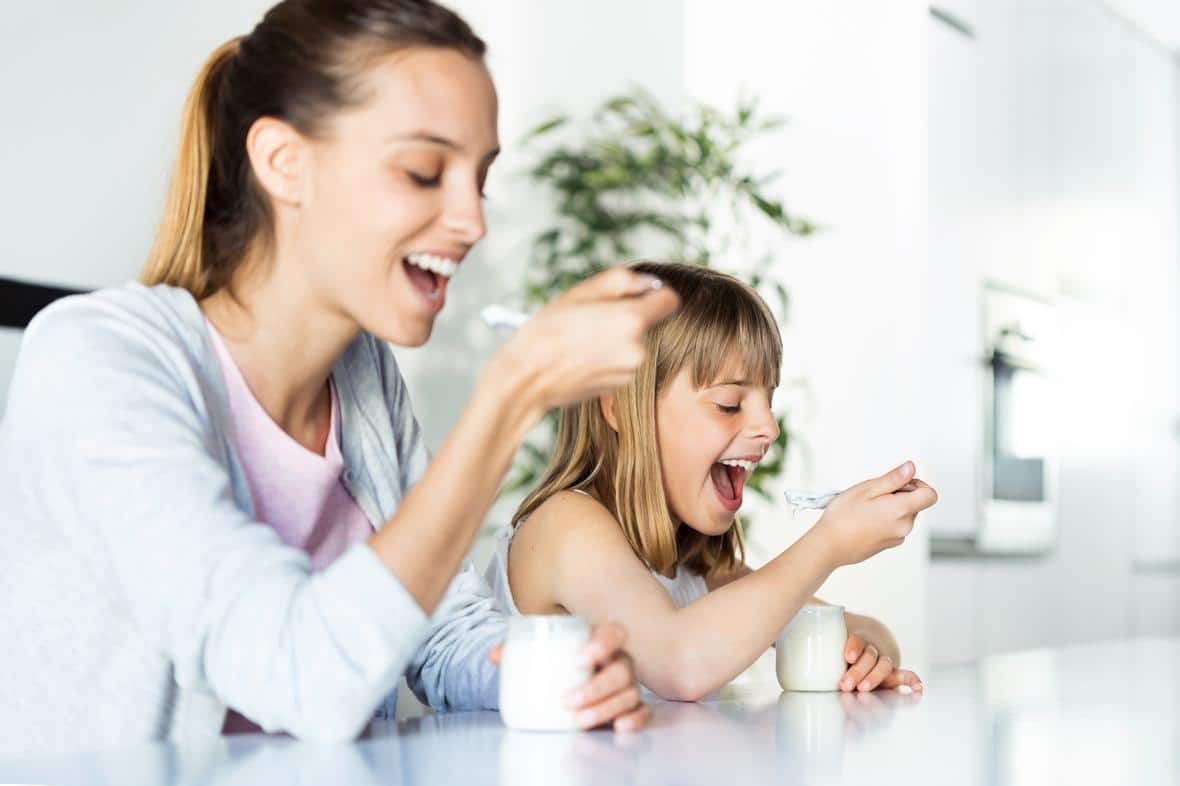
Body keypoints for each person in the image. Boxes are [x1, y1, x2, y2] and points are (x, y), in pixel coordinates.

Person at [0, 0, 680, 756]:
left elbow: (436, 628)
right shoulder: (96, 360)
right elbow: (302, 674)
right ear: (285, 164)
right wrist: (512, 393)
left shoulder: (362, 375)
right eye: (424, 171)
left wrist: (538, 672)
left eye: (478, 179)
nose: (471, 221)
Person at [487, 263, 935, 701]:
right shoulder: (564, 525)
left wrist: (869, 655)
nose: (769, 428)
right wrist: (830, 542)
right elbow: (680, 663)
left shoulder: (697, 570)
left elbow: (863, 629)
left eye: (769, 399)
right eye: (729, 403)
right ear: (619, 408)